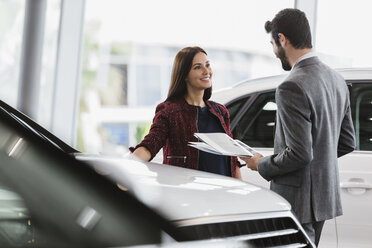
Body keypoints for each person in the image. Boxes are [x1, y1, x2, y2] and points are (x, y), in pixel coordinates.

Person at [240, 8, 355, 246]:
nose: (273, 52)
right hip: (323, 199)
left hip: (297, 201)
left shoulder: (291, 86)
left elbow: (300, 154)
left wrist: (260, 163)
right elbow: (347, 143)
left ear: (282, 39)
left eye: (272, 43)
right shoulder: (337, 80)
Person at [130, 46, 242, 179]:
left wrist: (239, 188)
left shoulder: (220, 111)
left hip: (223, 191)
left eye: (207, 65)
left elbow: (231, 158)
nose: (206, 71)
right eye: (197, 67)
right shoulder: (169, 111)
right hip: (187, 193)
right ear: (184, 75)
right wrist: (128, 170)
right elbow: (150, 145)